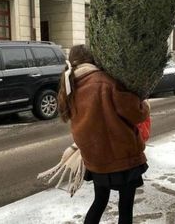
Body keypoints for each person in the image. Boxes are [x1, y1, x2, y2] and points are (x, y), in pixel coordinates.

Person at [58, 44, 150, 224]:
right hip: (123, 159)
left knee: (99, 201)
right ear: (93, 60)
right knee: (125, 208)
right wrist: (144, 104)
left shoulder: (70, 86)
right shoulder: (105, 81)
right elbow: (136, 113)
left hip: (96, 161)